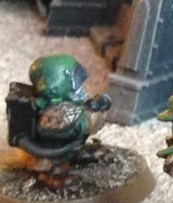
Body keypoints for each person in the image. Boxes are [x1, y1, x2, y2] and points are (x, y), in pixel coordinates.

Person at [6, 54, 112, 190]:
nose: (78, 87)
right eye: (73, 81)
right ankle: (48, 176)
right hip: (52, 153)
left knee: (73, 150)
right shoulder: (54, 115)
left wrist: (95, 107)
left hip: (69, 147)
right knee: (55, 166)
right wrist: (92, 115)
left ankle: (75, 155)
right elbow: (79, 126)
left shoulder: (67, 105)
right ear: (54, 88)